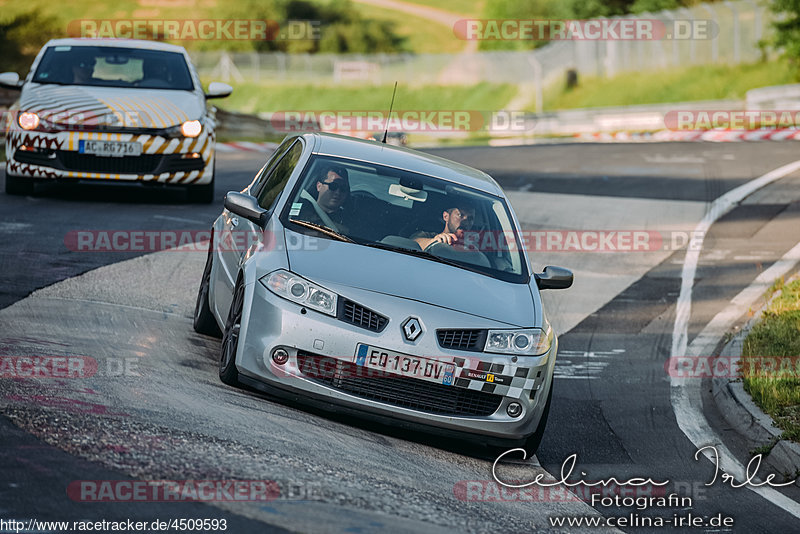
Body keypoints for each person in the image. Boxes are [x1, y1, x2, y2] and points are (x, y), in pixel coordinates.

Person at [296, 164, 351, 232]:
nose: (338, 192)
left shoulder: (349, 220)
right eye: (333, 186)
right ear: (319, 186)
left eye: (343, 188)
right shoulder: (301, 207)